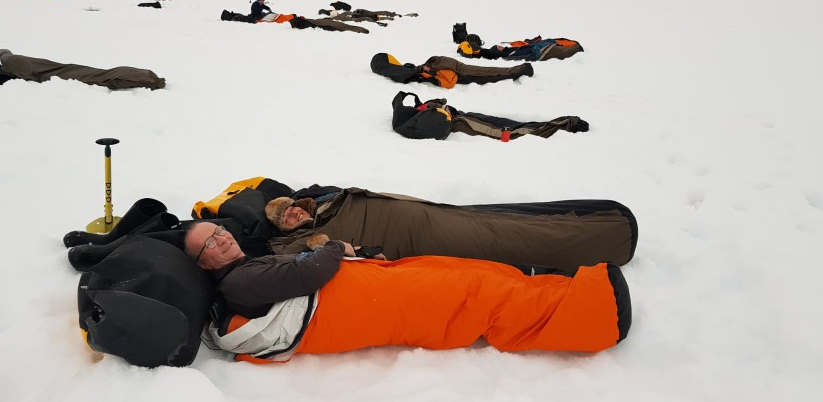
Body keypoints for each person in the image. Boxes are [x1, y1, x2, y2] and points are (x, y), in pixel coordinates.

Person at [183, 222, 631, 363]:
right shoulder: (239, 281)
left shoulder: (247, 264)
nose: (222, 240)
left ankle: (553, 287)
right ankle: (595, 313)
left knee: (458, 273)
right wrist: (335, 248)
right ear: (204, 263)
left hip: (377, 288)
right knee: (471, 297)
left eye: (220, 232)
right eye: (210, 244)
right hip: (374, 303)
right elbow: (307, 278)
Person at [263, 187, 638, 272]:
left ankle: (603, 221)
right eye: (285, 217)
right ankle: (609, 237)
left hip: (425, 213)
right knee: (497, 240)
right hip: (415, 239)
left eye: (292, 207)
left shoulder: (327, 201)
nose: (292, 214)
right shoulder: (294, 244)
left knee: (497, 222)